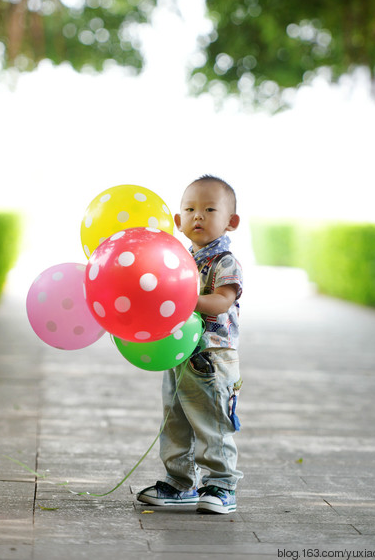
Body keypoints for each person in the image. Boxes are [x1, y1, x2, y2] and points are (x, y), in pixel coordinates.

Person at [137, 175, 243, 514]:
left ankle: (221, 485)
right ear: (178, 221)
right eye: (190, 209)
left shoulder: (224, 261)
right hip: (178, 353)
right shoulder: (179, 261)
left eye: (210, 209)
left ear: (231, 221)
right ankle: (179, 482)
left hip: (212, 356)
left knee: (212, 422)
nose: (198, 215)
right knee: (175, 419)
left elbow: (222, 301)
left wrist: (186, 299)